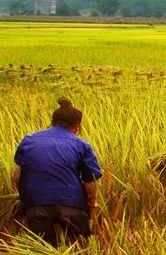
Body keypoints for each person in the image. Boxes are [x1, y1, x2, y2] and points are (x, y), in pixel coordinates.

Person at [12, 98, 102, 246]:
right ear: (78, 125)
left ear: (52, 121)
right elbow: (90, 181)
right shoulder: (82, 145)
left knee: (42, 251)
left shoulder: (29, 140)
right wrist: (92, 204)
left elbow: (17, 176)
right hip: (72, 205)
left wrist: (26, 199)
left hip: (36, 205)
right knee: (79, 250)